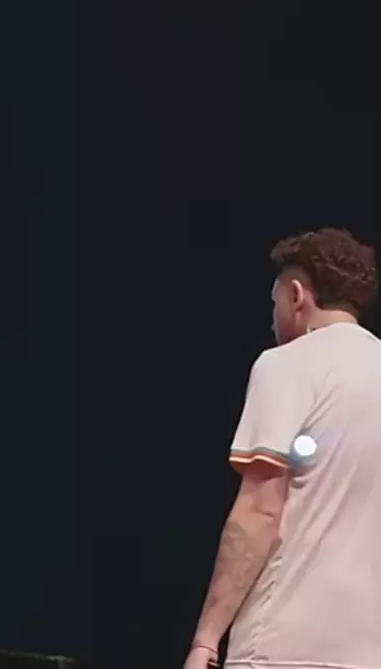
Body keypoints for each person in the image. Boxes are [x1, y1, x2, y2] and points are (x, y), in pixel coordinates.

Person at [183, 228, 380, 669]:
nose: (272, 320)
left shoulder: (287, 364)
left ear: (296, 296)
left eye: (273, 303)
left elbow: (260, 512)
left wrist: (206, 639)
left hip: (282, 645)